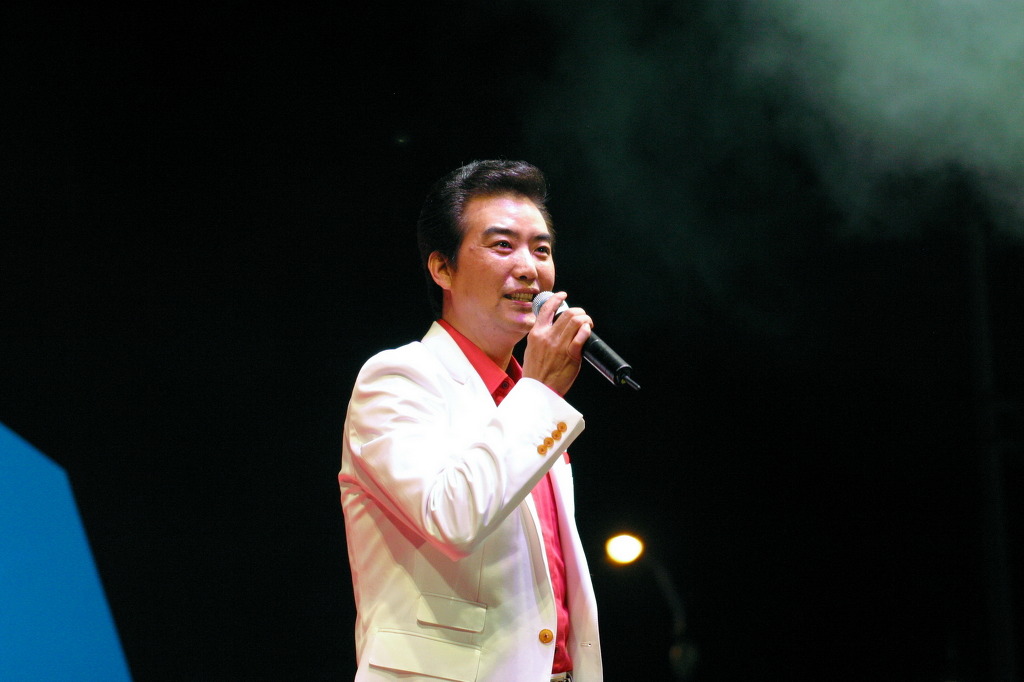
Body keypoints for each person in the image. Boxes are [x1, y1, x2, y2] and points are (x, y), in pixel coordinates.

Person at [338, 159, 602, 681]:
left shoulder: (528, 398)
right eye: (503, 245)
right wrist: (539, 394)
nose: (529, 268)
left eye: (541, 249)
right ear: (442, 269)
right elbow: (452, 518)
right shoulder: (398, 377)